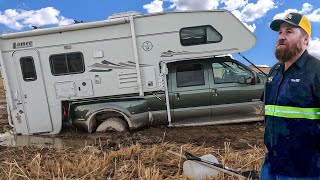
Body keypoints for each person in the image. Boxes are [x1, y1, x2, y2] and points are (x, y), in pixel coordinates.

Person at [260, 12, 320, 179]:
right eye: (280, 32)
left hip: (304, 169)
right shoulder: (274, 72)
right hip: (272, 163)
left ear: (305, 40)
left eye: (289, 31)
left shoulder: (316, 71)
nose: (281, 37)